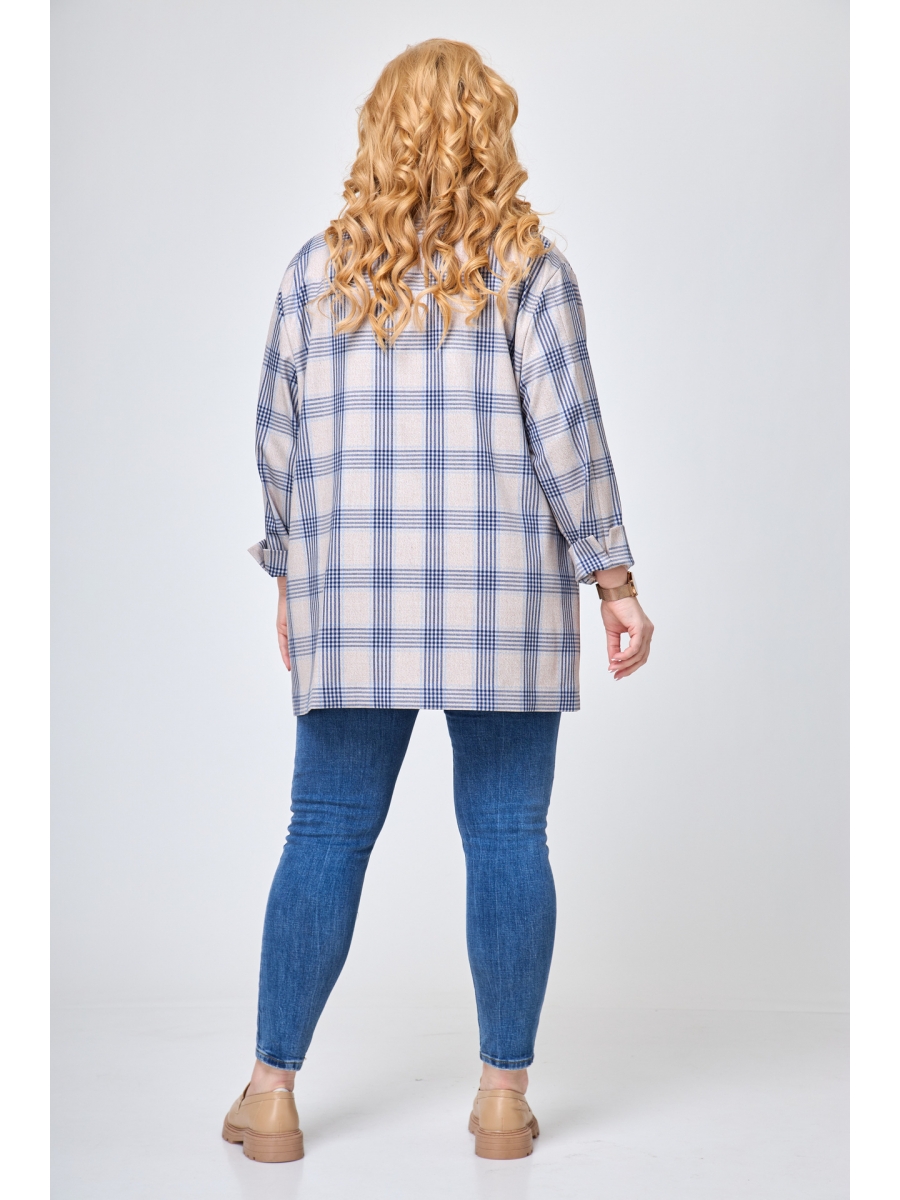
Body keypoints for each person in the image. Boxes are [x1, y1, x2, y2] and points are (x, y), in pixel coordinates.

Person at [222, 37, 654, 1164]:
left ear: (380, 132)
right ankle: (503, 1099)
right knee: (508, 833)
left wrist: (289, 573)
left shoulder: (314, 273)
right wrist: (613, 577)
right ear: (490, 134)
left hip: (354, 599)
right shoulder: (530, 269)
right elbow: (570, 435)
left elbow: (277, 437)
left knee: (325, 830)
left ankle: (271, 1095)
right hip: (501, 601)